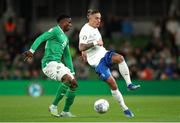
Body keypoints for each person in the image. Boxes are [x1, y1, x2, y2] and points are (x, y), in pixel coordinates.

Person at [79, 9, 140, 118]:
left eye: (100, 18)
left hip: (104, 54)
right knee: (113, 84)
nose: (99, 20)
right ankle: (124, 108)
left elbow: (83, 47)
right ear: (90, 18)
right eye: (96, 18)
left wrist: (84, 51)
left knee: (120, 58)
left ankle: (129, 84)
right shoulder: (85, 30)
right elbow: (81, 46)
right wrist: (94, 43)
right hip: (97, 62)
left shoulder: (95, 28)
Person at [23, 14, 78, 117]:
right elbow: (41, 38)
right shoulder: (55, 31)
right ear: (62, 22)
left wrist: (72, 71)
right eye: (69, 22)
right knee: (67, 79)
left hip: (58, 63)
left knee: (74, 84)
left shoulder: (66, 38)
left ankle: (65, 112)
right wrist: (32, 51)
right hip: (49, 63)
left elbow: (67, 56)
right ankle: (53, 106)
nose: (71, 25)